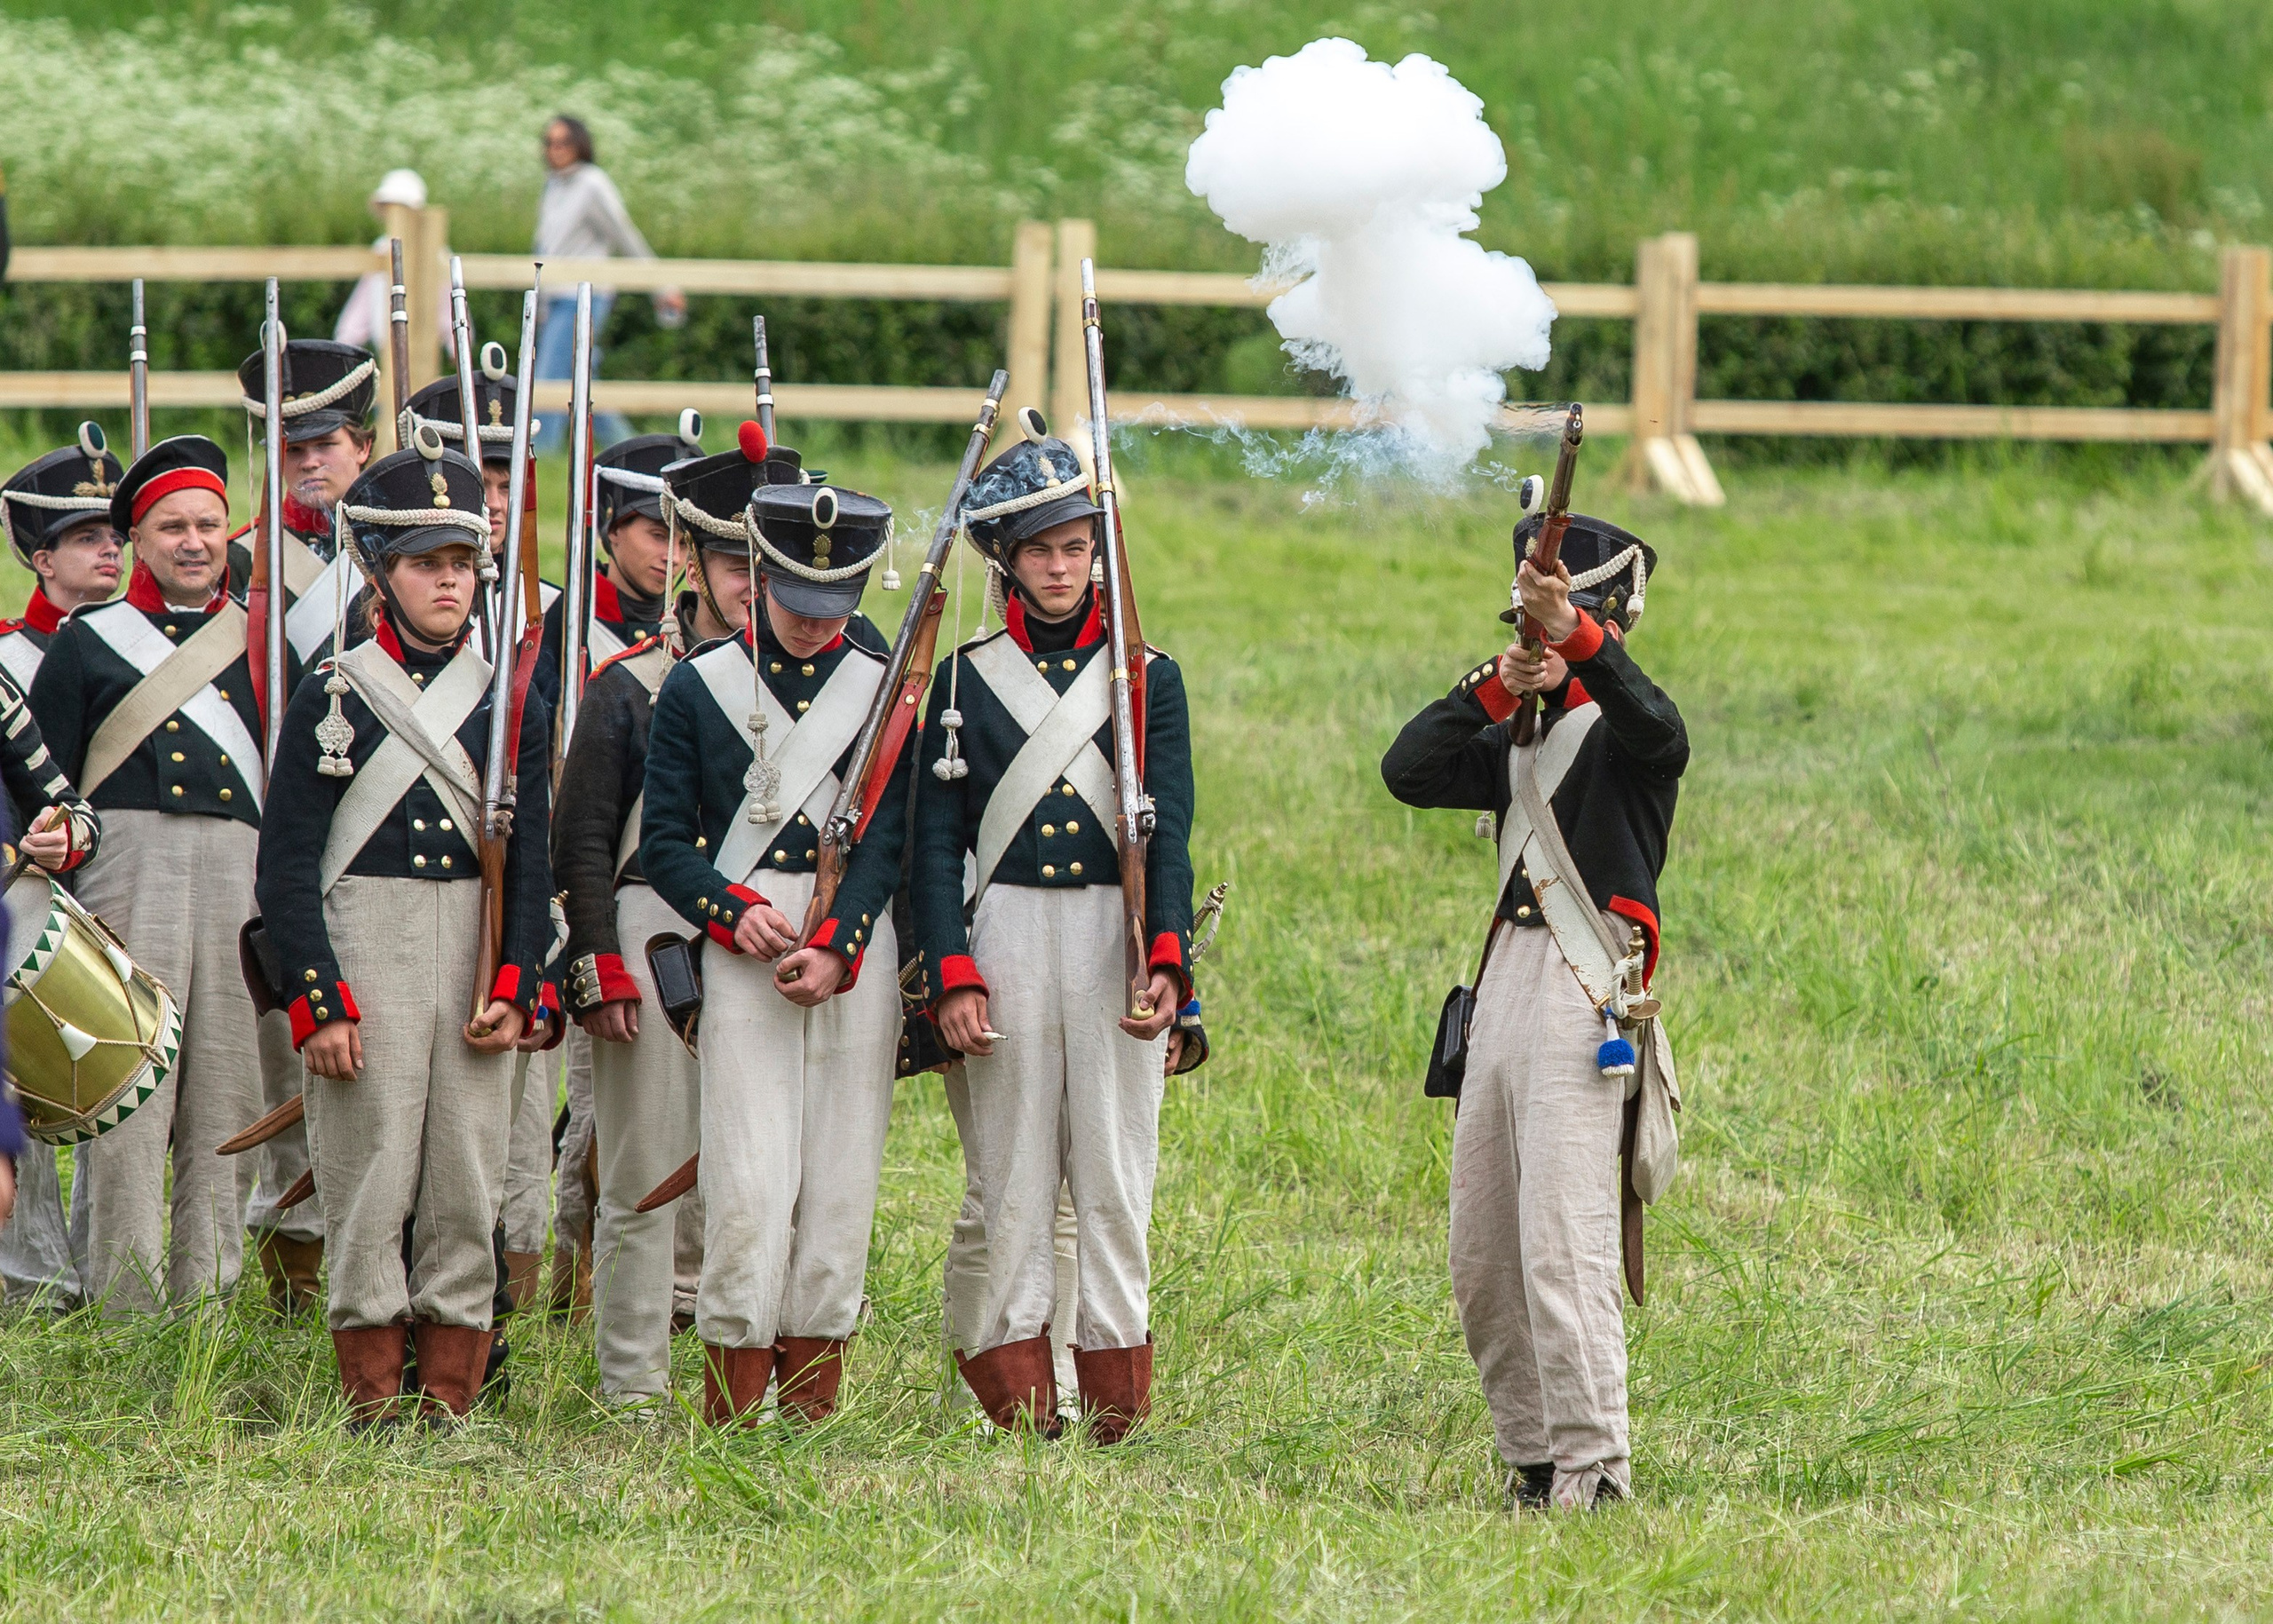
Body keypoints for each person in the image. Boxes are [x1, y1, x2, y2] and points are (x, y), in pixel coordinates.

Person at [1380, 514, 1686, 1512]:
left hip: (1583, 979)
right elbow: (1408, 767)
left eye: (1561, 623)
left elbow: (1661, 727)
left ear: (1602, 622)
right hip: (1503, 979)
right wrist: (1495, 683)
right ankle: (1534, 1456)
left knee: (1563, 1238)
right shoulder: (1515, 727)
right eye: (1532, 622)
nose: (1543, 639)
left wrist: (1581, 651)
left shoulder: (1624, 728)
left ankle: (1596, 1468)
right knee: (1483, 1247)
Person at [253, 438, 555, 1425]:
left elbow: (537, 859)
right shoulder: (334, 691)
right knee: (370, 1171)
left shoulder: (510, 699)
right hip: (365, 938)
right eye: (428, 564)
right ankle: (373, 1392)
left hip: (473, 940)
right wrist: (318, 997)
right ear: (383, 573)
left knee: (469, 1175)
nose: (450, 583)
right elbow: (290, 862)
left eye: (462, 564)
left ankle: (450, 1393)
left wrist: (516, 979)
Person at [911, 422, 1197, 1443]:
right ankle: (1019, 1400)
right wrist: (952, 967)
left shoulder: (1146, 678)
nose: (1062, 566)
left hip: (1110, 940)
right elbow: (934, 843)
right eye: (1041, 549)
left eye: (1076, 546)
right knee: (1013, 1182)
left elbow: (1169, 834)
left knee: (1116, 1181)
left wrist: (1168, 955)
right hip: (1008, 934)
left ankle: (1114, 1400)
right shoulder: (962, 680)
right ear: (1009, 562)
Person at [638, 434, 913, 1426]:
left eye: (831, 608)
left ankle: (809, 1406)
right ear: (759, 577)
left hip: (853, 954)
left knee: (840, 1188)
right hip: (743, 949)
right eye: (796, 603)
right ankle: (732, 1399)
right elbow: (665, 844)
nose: (811, 627)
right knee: (749, 1189)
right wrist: (735, 910)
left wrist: (841, 939)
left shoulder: (882, 688)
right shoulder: (696, 686)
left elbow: (890, 840)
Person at [550, 432, 794, 1409]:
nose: (753, 584)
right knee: (643, 1173)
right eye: (737, 562)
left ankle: (741, 1371)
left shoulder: (816, 681)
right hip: (652, 929)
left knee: (759, 1170)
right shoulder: (629, 685)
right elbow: (582, 842)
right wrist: (599, 965)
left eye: (768, 566)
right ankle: (632, 1386)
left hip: (763, 937)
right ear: (690, 562)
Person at [30, 437, 295, 1313]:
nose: (193, 541)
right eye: (172, 526)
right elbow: (47, 777)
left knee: (226, 1096)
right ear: (137, 540)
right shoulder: (88, 644)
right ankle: (123, 1304)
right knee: (126, 1097)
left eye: (209, 524)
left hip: (236, 877)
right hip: (125, 876)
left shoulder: (263, 640)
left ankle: (205, 1305)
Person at [233, 336, 382, 1313]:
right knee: (280, 1059)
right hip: (279, 836)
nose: (309, 461)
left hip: (382, 839)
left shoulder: (408, 555)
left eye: (325, 442)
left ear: (363, 445)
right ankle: (294, 1283)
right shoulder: (245, 558)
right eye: (291, 446)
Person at [0, 426, 116, 1309]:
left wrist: (60, 839)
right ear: (41, 556)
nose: (111, 549)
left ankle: (57, 1273)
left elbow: (67, 801)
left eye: (119, 533)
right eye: (88, 536)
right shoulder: (12, 650)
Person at [532, 115, 685, 453]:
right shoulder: (553, 185)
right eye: (549, 142)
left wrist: (662, 285)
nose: (555, 150)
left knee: (547, 382)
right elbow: (546, 249)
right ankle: (635, 450)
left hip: (582, 296)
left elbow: (624, 235)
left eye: (564, 142)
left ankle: (536, 460)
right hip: (555, 296)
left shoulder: (592, 183)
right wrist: (539, 303)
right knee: (584, 382)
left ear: (580, 144)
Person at [332, 169, 452, 361]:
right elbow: (364, 301)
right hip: (387, 348)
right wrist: (345, 342)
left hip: (425, 351)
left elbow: (448, 300)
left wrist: (454, 342)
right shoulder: (381, 249)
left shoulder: (435, 250)